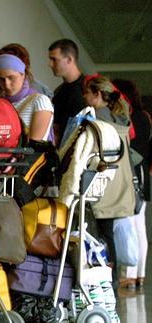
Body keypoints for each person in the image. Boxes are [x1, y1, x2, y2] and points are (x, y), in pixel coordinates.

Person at [82, 75, 133, 286]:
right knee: (108, 233)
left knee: (101, 235)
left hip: (102, 185)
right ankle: (110, 279)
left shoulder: (97, 123)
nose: (84, 96)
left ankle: (104, 279)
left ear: (97, 94)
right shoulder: (121, 119)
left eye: (86, 92)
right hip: (120, 185)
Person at [112, 78, 150, 290]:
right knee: (139, 226)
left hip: (129, 172)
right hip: (143, 171)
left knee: (128, 225)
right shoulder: (145, 117)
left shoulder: (124, 117)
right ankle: (139, 275)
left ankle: (128, 275)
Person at [0, 53, 54, 141]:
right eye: (1, 79)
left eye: (11, 78)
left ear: (23, 75)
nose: (6, 84)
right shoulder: (0, 104)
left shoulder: (39, 101)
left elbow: (34, 146)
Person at [48, 39, 85, 146]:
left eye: (54, 59)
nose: (50, 64)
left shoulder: (85, 91)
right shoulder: (60, 90)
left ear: (69, 59)